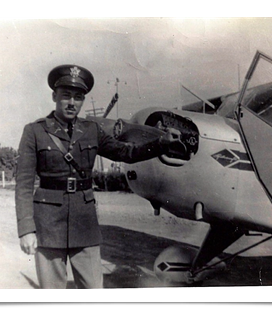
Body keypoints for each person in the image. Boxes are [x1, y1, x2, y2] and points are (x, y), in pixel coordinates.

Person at [15, 64, 180, 289]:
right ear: (54, 96)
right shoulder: (34, 131)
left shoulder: (91, 130)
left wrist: (161, 144)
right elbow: (23, 184)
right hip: (48, 225)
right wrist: (26, 229)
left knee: (94, 289)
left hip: (84, 224)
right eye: (66, 96)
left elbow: (126, 152)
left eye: (78, 97)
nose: (72, 103)